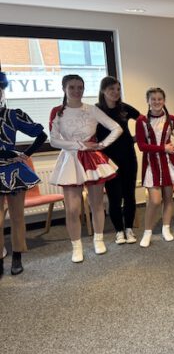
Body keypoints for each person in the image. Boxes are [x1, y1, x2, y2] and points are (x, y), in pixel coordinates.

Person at [49, 74, 123, 263]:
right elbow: (54, 140)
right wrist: (80, 145)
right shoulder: (57, 111)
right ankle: (76, 246)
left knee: (96, 204)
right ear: (64, 89)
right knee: (72, 209)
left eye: (80, 87)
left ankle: (98, 239)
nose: (77, 91)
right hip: (70, 160)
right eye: (72, 87)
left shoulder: (92, 109)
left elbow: (117, 128)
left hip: (92, 159)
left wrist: (101, 145)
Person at [0, 65, 47, 277]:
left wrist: (26, 154)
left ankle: (17, 256)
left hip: (13, 172)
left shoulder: (13, 115)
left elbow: (41, 135)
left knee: (17, 217)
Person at [135, 87, 174, 247]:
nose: (157, 102)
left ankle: (166, 229)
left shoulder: (171, 119)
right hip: (151, 164)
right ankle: (147, 232)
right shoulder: (141, 121)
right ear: (148, 101)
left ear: (164, 100)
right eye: (153, 99)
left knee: (168, 198)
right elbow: (141, 146)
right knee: (155, 200)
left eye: (160, 99)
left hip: (168, 163)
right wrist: (163, 148)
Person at [96, 76, 140, 244]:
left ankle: (129, 228)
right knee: (114, 197)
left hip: (128, 157)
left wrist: (136, 138)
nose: (115, 92)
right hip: (108, 161)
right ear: (103, 91)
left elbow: (143, 121)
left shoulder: (124, 108)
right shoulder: (96, 110)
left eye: (118, 89)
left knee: (129, 195)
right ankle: (119, 231)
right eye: (111, 89)